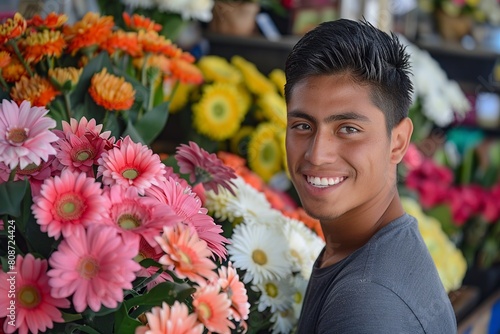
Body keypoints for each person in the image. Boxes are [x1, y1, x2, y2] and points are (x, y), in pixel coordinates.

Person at [284, 19, 457, 333]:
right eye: (303, 126)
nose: (316, 154)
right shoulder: (358, 252)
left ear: (399, 142)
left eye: (348, 130)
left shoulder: (368, 304)